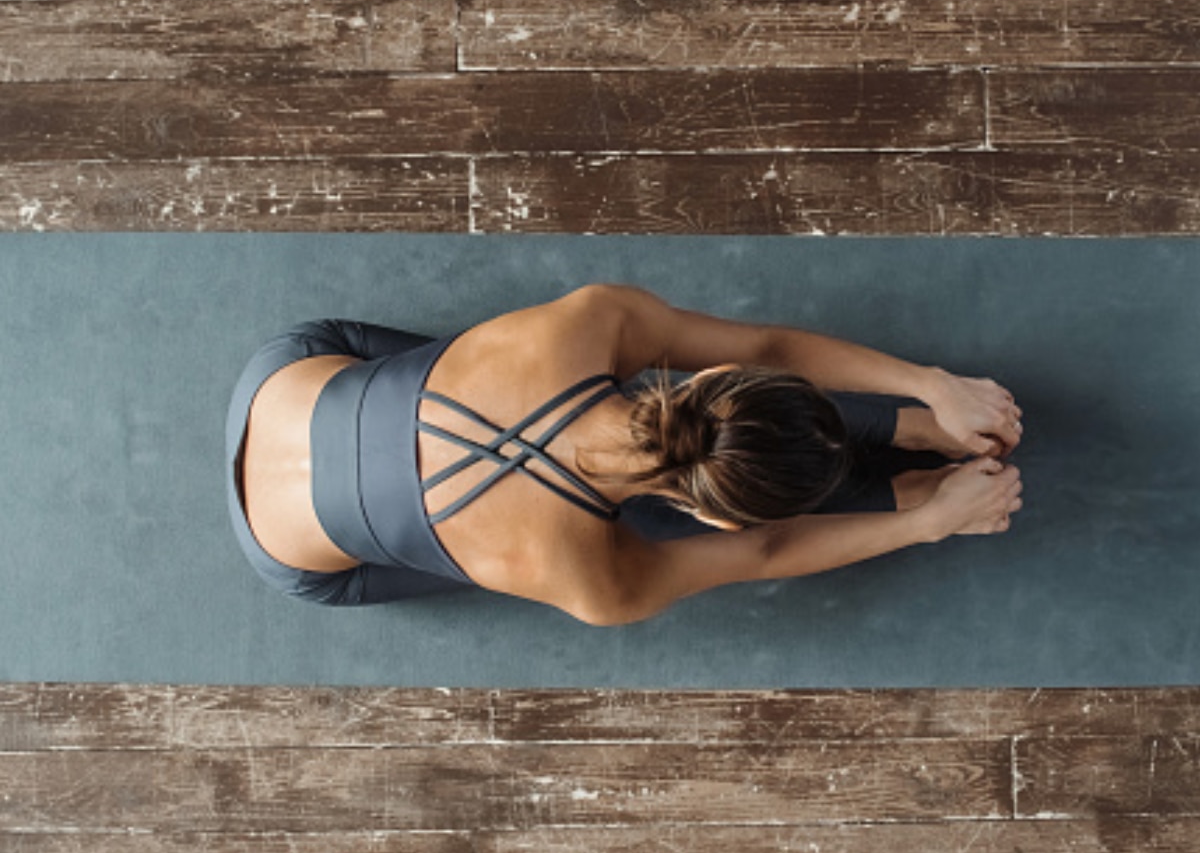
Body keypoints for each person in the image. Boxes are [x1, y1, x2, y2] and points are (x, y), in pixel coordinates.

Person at [227, 285, 1023, 624]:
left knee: (515, 493)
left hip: (290, 374)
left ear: (709, 379)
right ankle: (901, 464)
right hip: (294, 557)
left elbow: (766, 540)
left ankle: (908, 439)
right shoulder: (591, 580)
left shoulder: (589, 326)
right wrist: (923, 519)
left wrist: (929, 389)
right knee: (470, 543)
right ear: (705, 510)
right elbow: (767, 547)